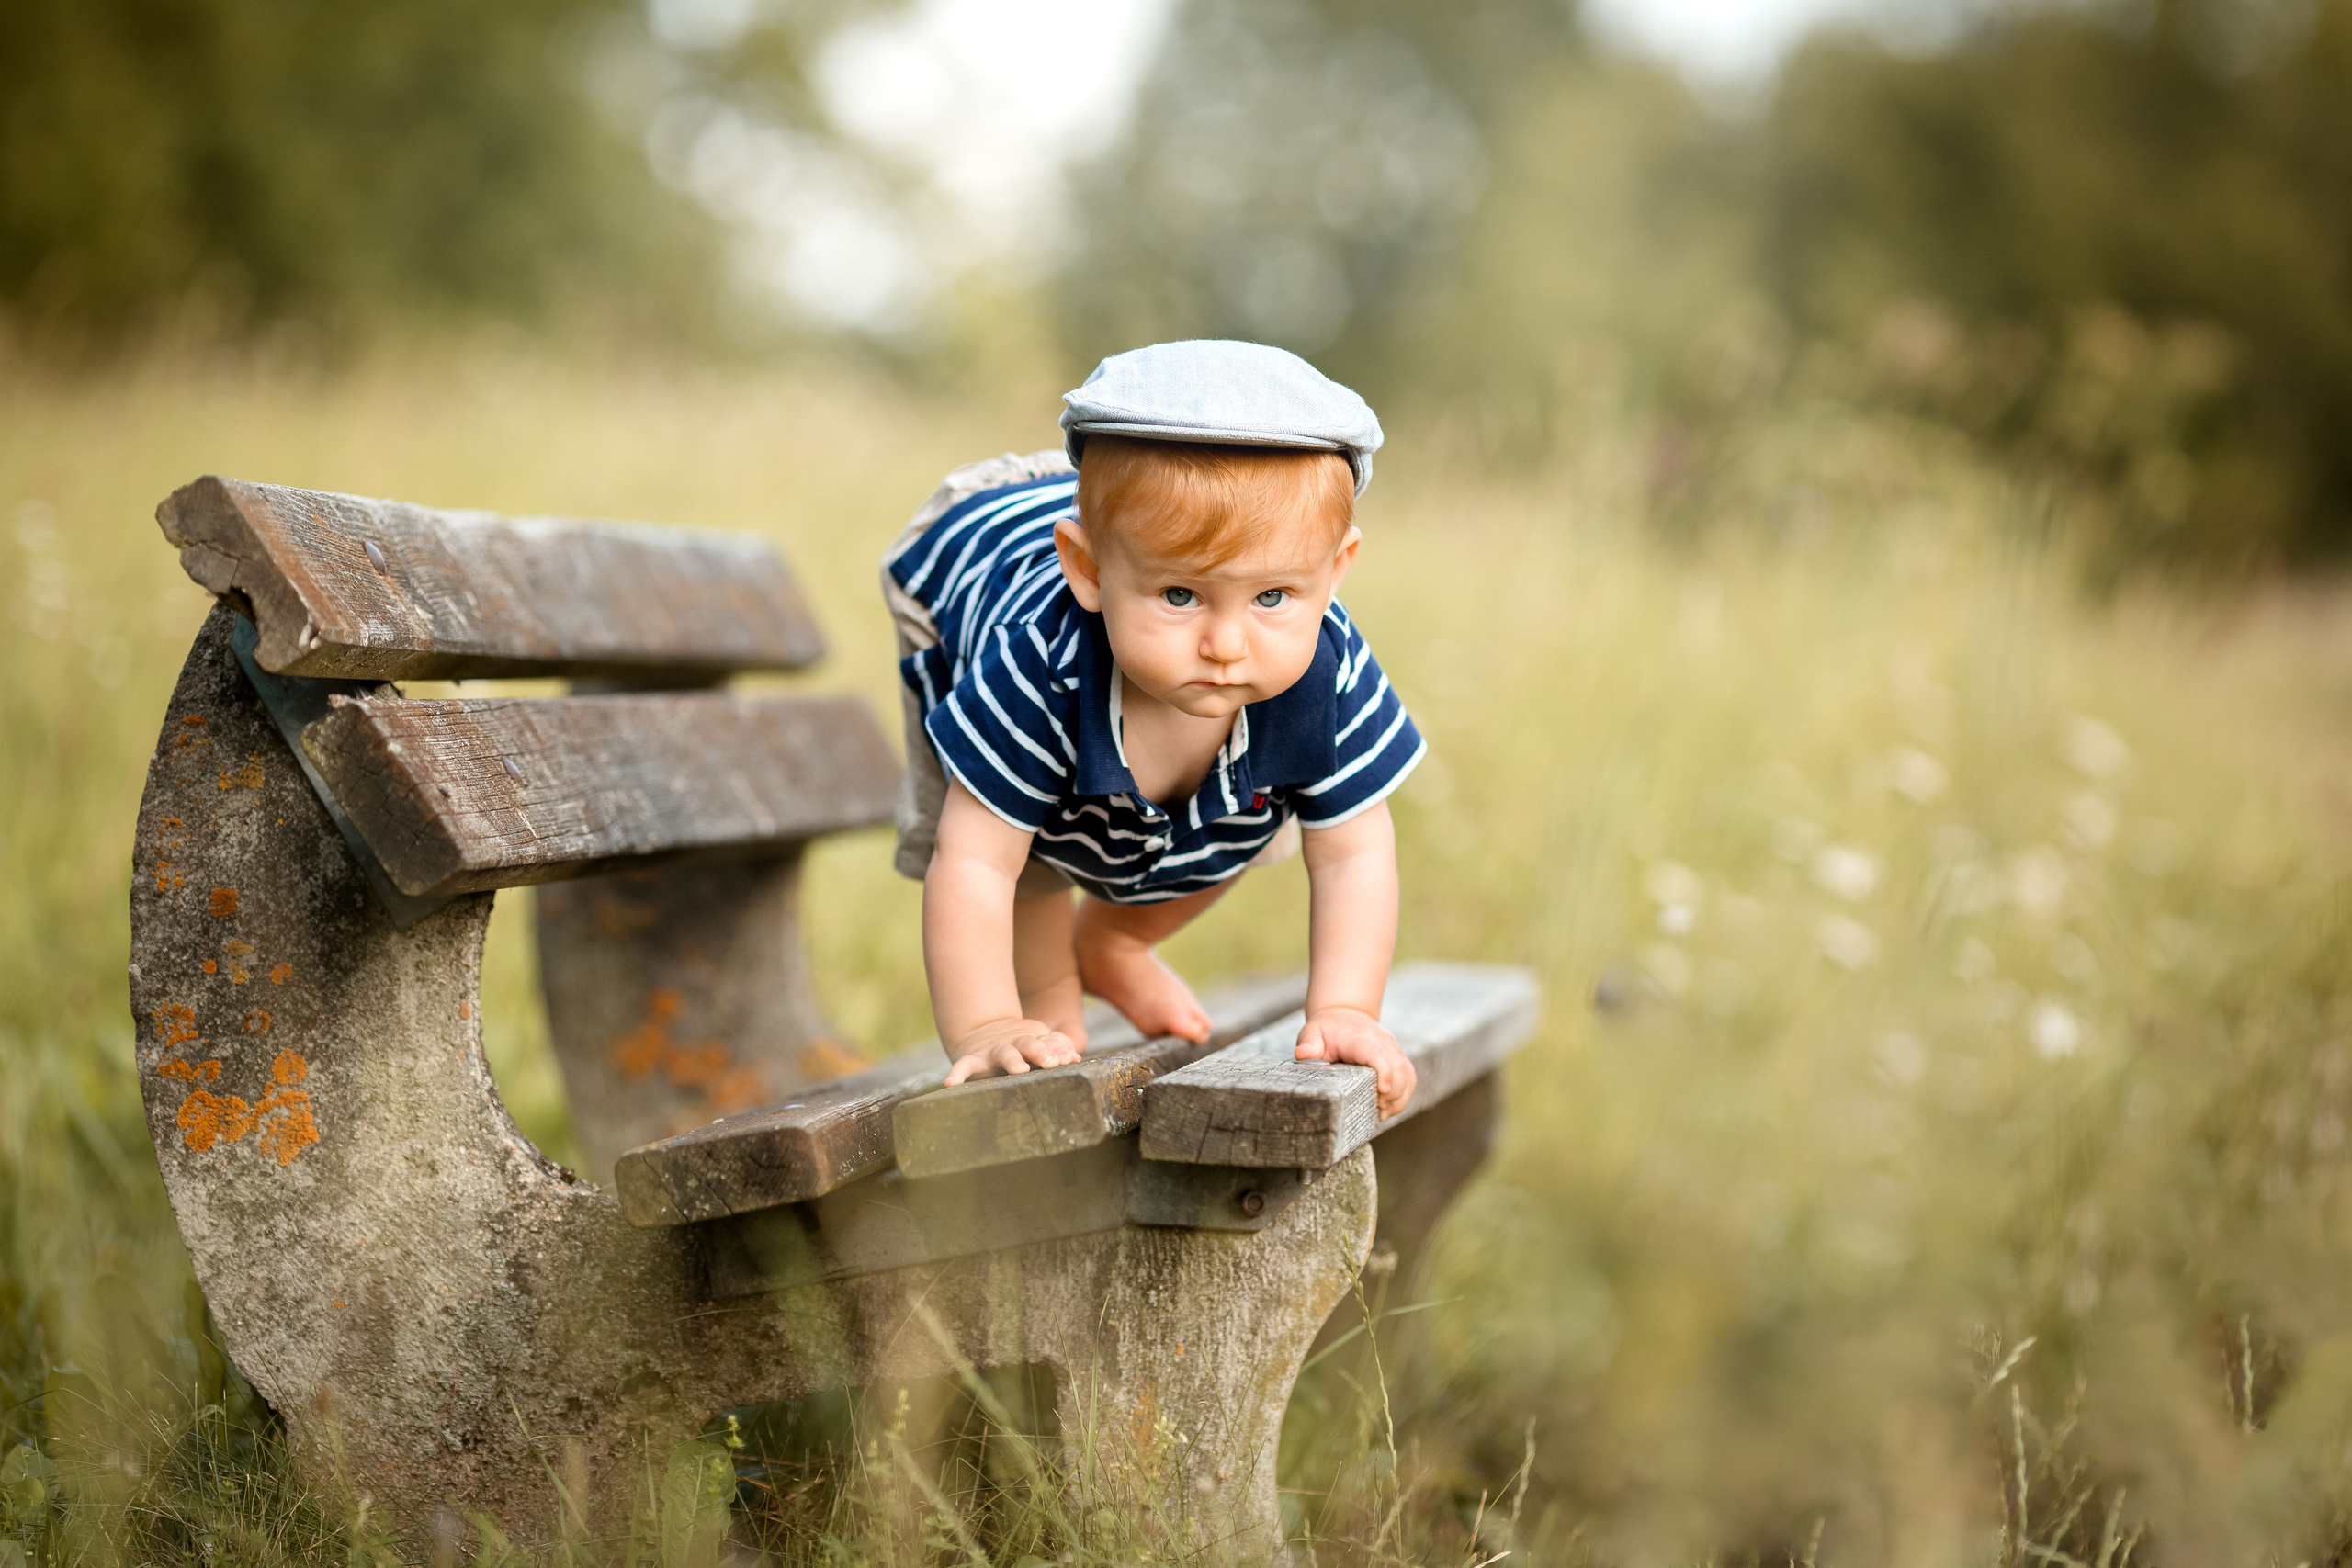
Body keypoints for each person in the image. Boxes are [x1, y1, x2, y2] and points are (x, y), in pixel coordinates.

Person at [880, 340, 1424, 1117]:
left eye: (1273, 596)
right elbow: (975, 864)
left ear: (1334, 571)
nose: (1227, 644)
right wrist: (985, 1022)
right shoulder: (1041, 663)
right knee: (1011, 822)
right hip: (964, 565)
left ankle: (1110, 941)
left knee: (1250, 815)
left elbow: (1354, 854)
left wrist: (1346, 1009)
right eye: (1180, 595)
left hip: (1128, 584)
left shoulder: (1324, 668)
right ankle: (1045, 998)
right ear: (1091, 571)